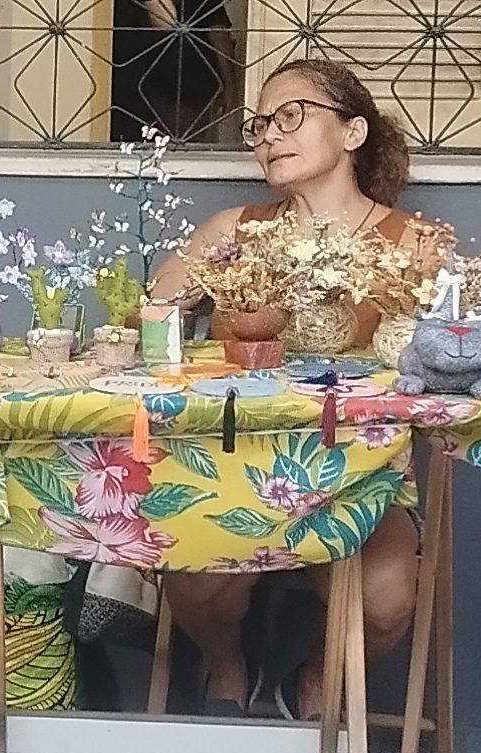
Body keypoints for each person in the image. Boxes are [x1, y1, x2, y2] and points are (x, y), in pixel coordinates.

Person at [144, 57, 458, 715]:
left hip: (361, 479)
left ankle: (314, 677)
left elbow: (457, 357)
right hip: (231, 469)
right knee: (193, 578)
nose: (268, 136)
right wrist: (175, 298)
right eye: (259, 125)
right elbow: (146, 321)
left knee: (386, 601)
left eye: (290, 116)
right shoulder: (235, 232)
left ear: (352, 132)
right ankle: (228, 665)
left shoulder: (416, 243)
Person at [115, 0, 237, 142]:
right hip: (191, 85)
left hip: (146, 82)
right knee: (187, 148)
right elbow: (218, 36)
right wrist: (230, 86)